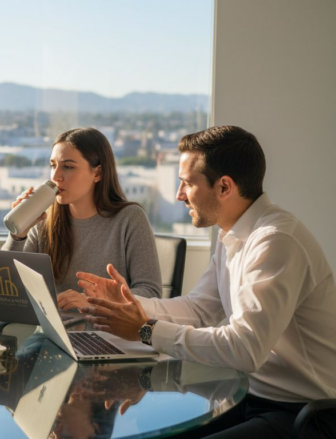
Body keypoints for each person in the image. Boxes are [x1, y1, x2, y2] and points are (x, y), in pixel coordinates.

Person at [79, 126, 336, 438]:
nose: (178, 194)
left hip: (305, 414)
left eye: (187, 182)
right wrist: (133, 306)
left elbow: (245, 348)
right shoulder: (231, 233)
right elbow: (199, 309)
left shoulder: (276, 241)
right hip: (250, 396)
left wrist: (146, 330)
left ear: (224, 187)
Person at [2, 127, 161, 310]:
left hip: (107, 332)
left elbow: (150, 293)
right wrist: (18, 234)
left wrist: (93, 303)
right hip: (53, 331)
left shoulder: (130, 219)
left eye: (68, 167)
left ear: (98, 173)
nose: (56, 176)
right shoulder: (44, 219)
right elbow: (7, 287)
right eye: (53, 165)